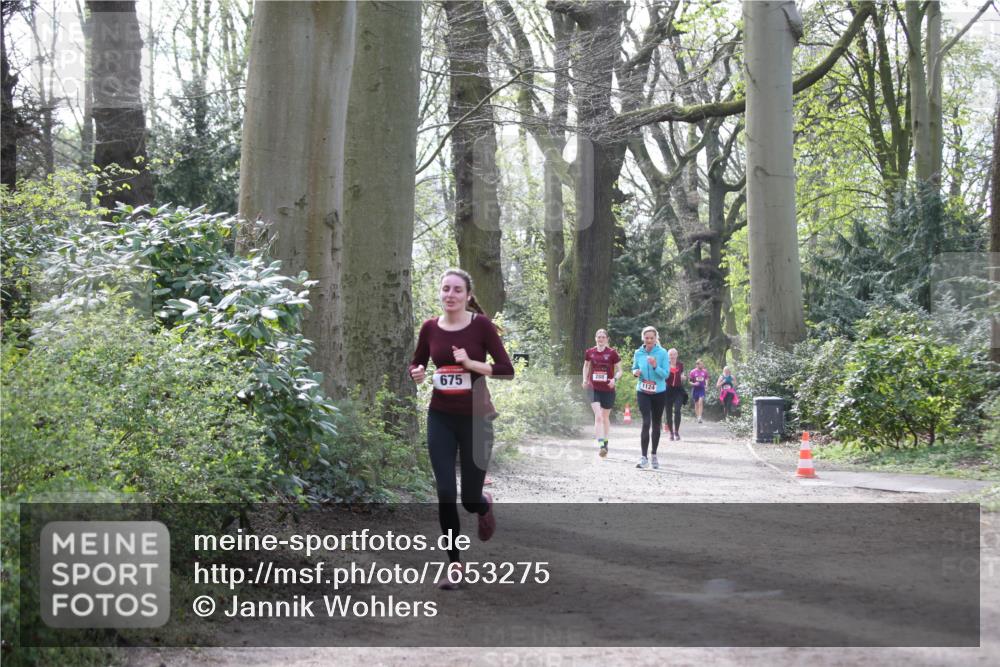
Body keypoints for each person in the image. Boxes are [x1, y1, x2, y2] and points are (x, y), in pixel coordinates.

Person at [409, 268, 514, 589]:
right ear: (440, 293)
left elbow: (506, 370)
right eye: (445, 289)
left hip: (476, 419)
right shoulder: (429, 328)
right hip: (440, 416)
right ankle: (455, 566)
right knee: (444, 493)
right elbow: (417, 363)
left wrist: (471, 364)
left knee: (468, 498)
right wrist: (416, 373)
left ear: (468, 295)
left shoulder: (480, 326)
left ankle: (483, 504)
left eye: (457, 290)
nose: (450, 295)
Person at [631, 326, 669, 470]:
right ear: (643, 338)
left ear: (655, 338)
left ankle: (653, 455)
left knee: (656, 423)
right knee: (646, 422)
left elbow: (665, 374)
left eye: (652, 338)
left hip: (659, 392)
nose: (649, 340)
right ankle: (643, 457)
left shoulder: (663, 353)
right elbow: (634, 367)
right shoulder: (638, 352)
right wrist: (635, 372)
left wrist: (654, 366)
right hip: (642, 391)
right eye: (647, 338)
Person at [582, 329, 622, 458]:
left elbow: (620, 370)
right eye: (598, 337)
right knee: (598, 416)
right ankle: (601, 446)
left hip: (608, 389)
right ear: (595, 338)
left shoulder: (612, 353)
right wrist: (584, 379)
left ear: (607, 339)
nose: (600, 339)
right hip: (593, 388)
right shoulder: (590, 352)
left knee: (605, 418)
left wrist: (614, 379)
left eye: (603, 337)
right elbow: (586, 366)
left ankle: (606, 441)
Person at [664, 348, 686, 441]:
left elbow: (683, 374)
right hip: (667, 390)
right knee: (668, 412)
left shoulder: (680, 365)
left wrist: (683, 377)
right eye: (670, 355)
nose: (672, 356)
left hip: (678, 390)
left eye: (674, 354)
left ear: (677, 355)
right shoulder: (665, 364)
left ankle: (676, 431)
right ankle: (671, 433)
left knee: (677, 410)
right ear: (668, 356)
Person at [688, 359, 709, 424]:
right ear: (697, 364)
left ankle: (700, 416)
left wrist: (706, 385)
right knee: (696, 403)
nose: (702, 365)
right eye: (701, 364)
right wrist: (694, 384)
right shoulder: (692, 372)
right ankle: (698, 417)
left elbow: (707, 379)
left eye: (703, 364)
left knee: (700, 401)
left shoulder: (705, 371)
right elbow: (690, 381)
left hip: (702, 389)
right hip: (695, 389)